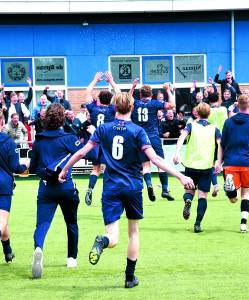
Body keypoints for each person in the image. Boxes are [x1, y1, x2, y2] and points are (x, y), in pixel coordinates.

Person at [58, 92, 194, 289]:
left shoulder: (103, 129)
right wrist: (181, 176)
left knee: (113, 237)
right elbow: (155, 159)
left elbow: (81, 152)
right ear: (132, 108)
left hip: (111, 188)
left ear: (114, 108)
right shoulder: (138, 131)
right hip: (132, 187)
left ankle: (102, 241)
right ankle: (129, 278)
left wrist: (64, 169)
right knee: (133, 233)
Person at [29, 103, 84, 279]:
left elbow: (33, 169)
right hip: (66, 186)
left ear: (46, 119)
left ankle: (38, 248)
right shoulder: (69, 138)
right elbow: (84, 153)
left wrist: (46, 173)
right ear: (62, 118)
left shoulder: (39, 140)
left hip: (46, 188)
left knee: (42, 224)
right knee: (71, 223)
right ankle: (72, 258)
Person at [218, 95, 249, 233]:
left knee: (233, 199)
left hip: (229, 163)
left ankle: (231, 188)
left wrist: (218, 162)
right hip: (246, 163)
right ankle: (243, 224)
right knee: (246, 193)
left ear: (237, 106)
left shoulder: (228, 122)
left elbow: (221, 144)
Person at [173, 103, 222, 233]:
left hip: (190, 165)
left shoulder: (191, 126)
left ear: (197, 113)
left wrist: (177, 152)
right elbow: (220, 145)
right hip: (206, 167)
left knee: (188, 192)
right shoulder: (214, 128)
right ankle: (197, 224)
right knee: (203, 196)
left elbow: (181, 137)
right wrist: (219, 162)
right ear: (209, 114)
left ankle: (188, 201)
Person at [131, 81, 176, 201]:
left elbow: (126, 101)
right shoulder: (154, 103)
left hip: (139, 137)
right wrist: (168, 90)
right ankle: (165, 189)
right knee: (160, 162)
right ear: (151, 95)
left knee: (145, 165)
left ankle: (149, 185)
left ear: (140, 95)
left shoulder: (135, 103)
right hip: (152, 136)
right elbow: (172, 105)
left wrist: (132, 88)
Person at [0, 111, 28, 263]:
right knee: (2, 221)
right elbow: (14, 167)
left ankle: (8, 252)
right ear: (2, 123)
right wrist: (25, 166)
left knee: (3, 222)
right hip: (3, 186)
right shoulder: (8, 142)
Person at [84, 72, 116, 206]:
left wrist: (95, 80)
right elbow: (119, 94)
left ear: (99, 99)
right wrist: (111, 81)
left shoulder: (93, 108)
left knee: (95, 169)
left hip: (95, 141)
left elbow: (87, 92)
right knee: (110, 169)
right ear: (110, 100)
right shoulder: (112, 110)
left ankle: (90, 189)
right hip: (108, 142)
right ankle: (106, 195)